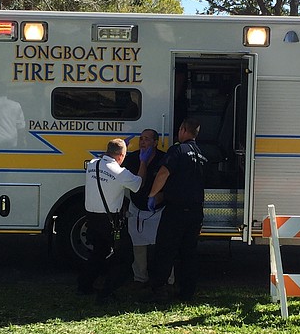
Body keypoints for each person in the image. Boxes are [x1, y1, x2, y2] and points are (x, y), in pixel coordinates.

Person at [78, 138, 147, 302]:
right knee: (125, 257)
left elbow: (104, 159)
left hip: (91, 218)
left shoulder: (92, 165)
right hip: (110, 221)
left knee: (99, 252)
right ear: (122, 155)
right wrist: (143, 162)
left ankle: (84, 286)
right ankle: (106, 292)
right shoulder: (120, 173)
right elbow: (139, 184)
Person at [147, 118, 207, 302]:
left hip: (176, 211)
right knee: (188, 253)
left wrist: (152, 194)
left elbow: (164, 173)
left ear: (182, 130)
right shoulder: (202, 155)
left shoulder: (178, 150)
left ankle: (159, 291)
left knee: (165, 251)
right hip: (196, 212)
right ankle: (187, 292)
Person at [123, 129, 167, 285]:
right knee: (138, 245)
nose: (142, 142)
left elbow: (171, 183)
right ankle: (140, 278)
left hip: (158, 209)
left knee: (162, 246)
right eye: (141, 139)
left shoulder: (164, 158)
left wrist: (161, 196)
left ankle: (166, 280)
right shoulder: (134, 157)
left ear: (155, 143)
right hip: (137, 207)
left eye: (147, 139)